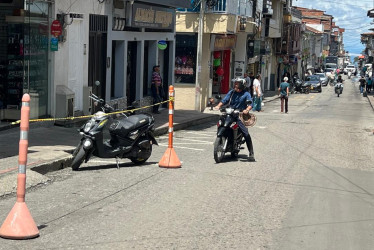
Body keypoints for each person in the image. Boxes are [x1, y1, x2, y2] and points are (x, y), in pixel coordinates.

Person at [214, 78, 255, 161]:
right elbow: (224, 100)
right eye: (235, 83)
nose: (235, 85)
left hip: (239, 115)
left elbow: (250, 103)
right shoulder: (232, 92)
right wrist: (218, 106)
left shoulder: (246, 94)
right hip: (230, 112)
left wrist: (246, 110)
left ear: (242, 85)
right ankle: (223, 139)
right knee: (221, 122)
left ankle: (251, 153)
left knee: (245, 133)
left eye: (237, 83)